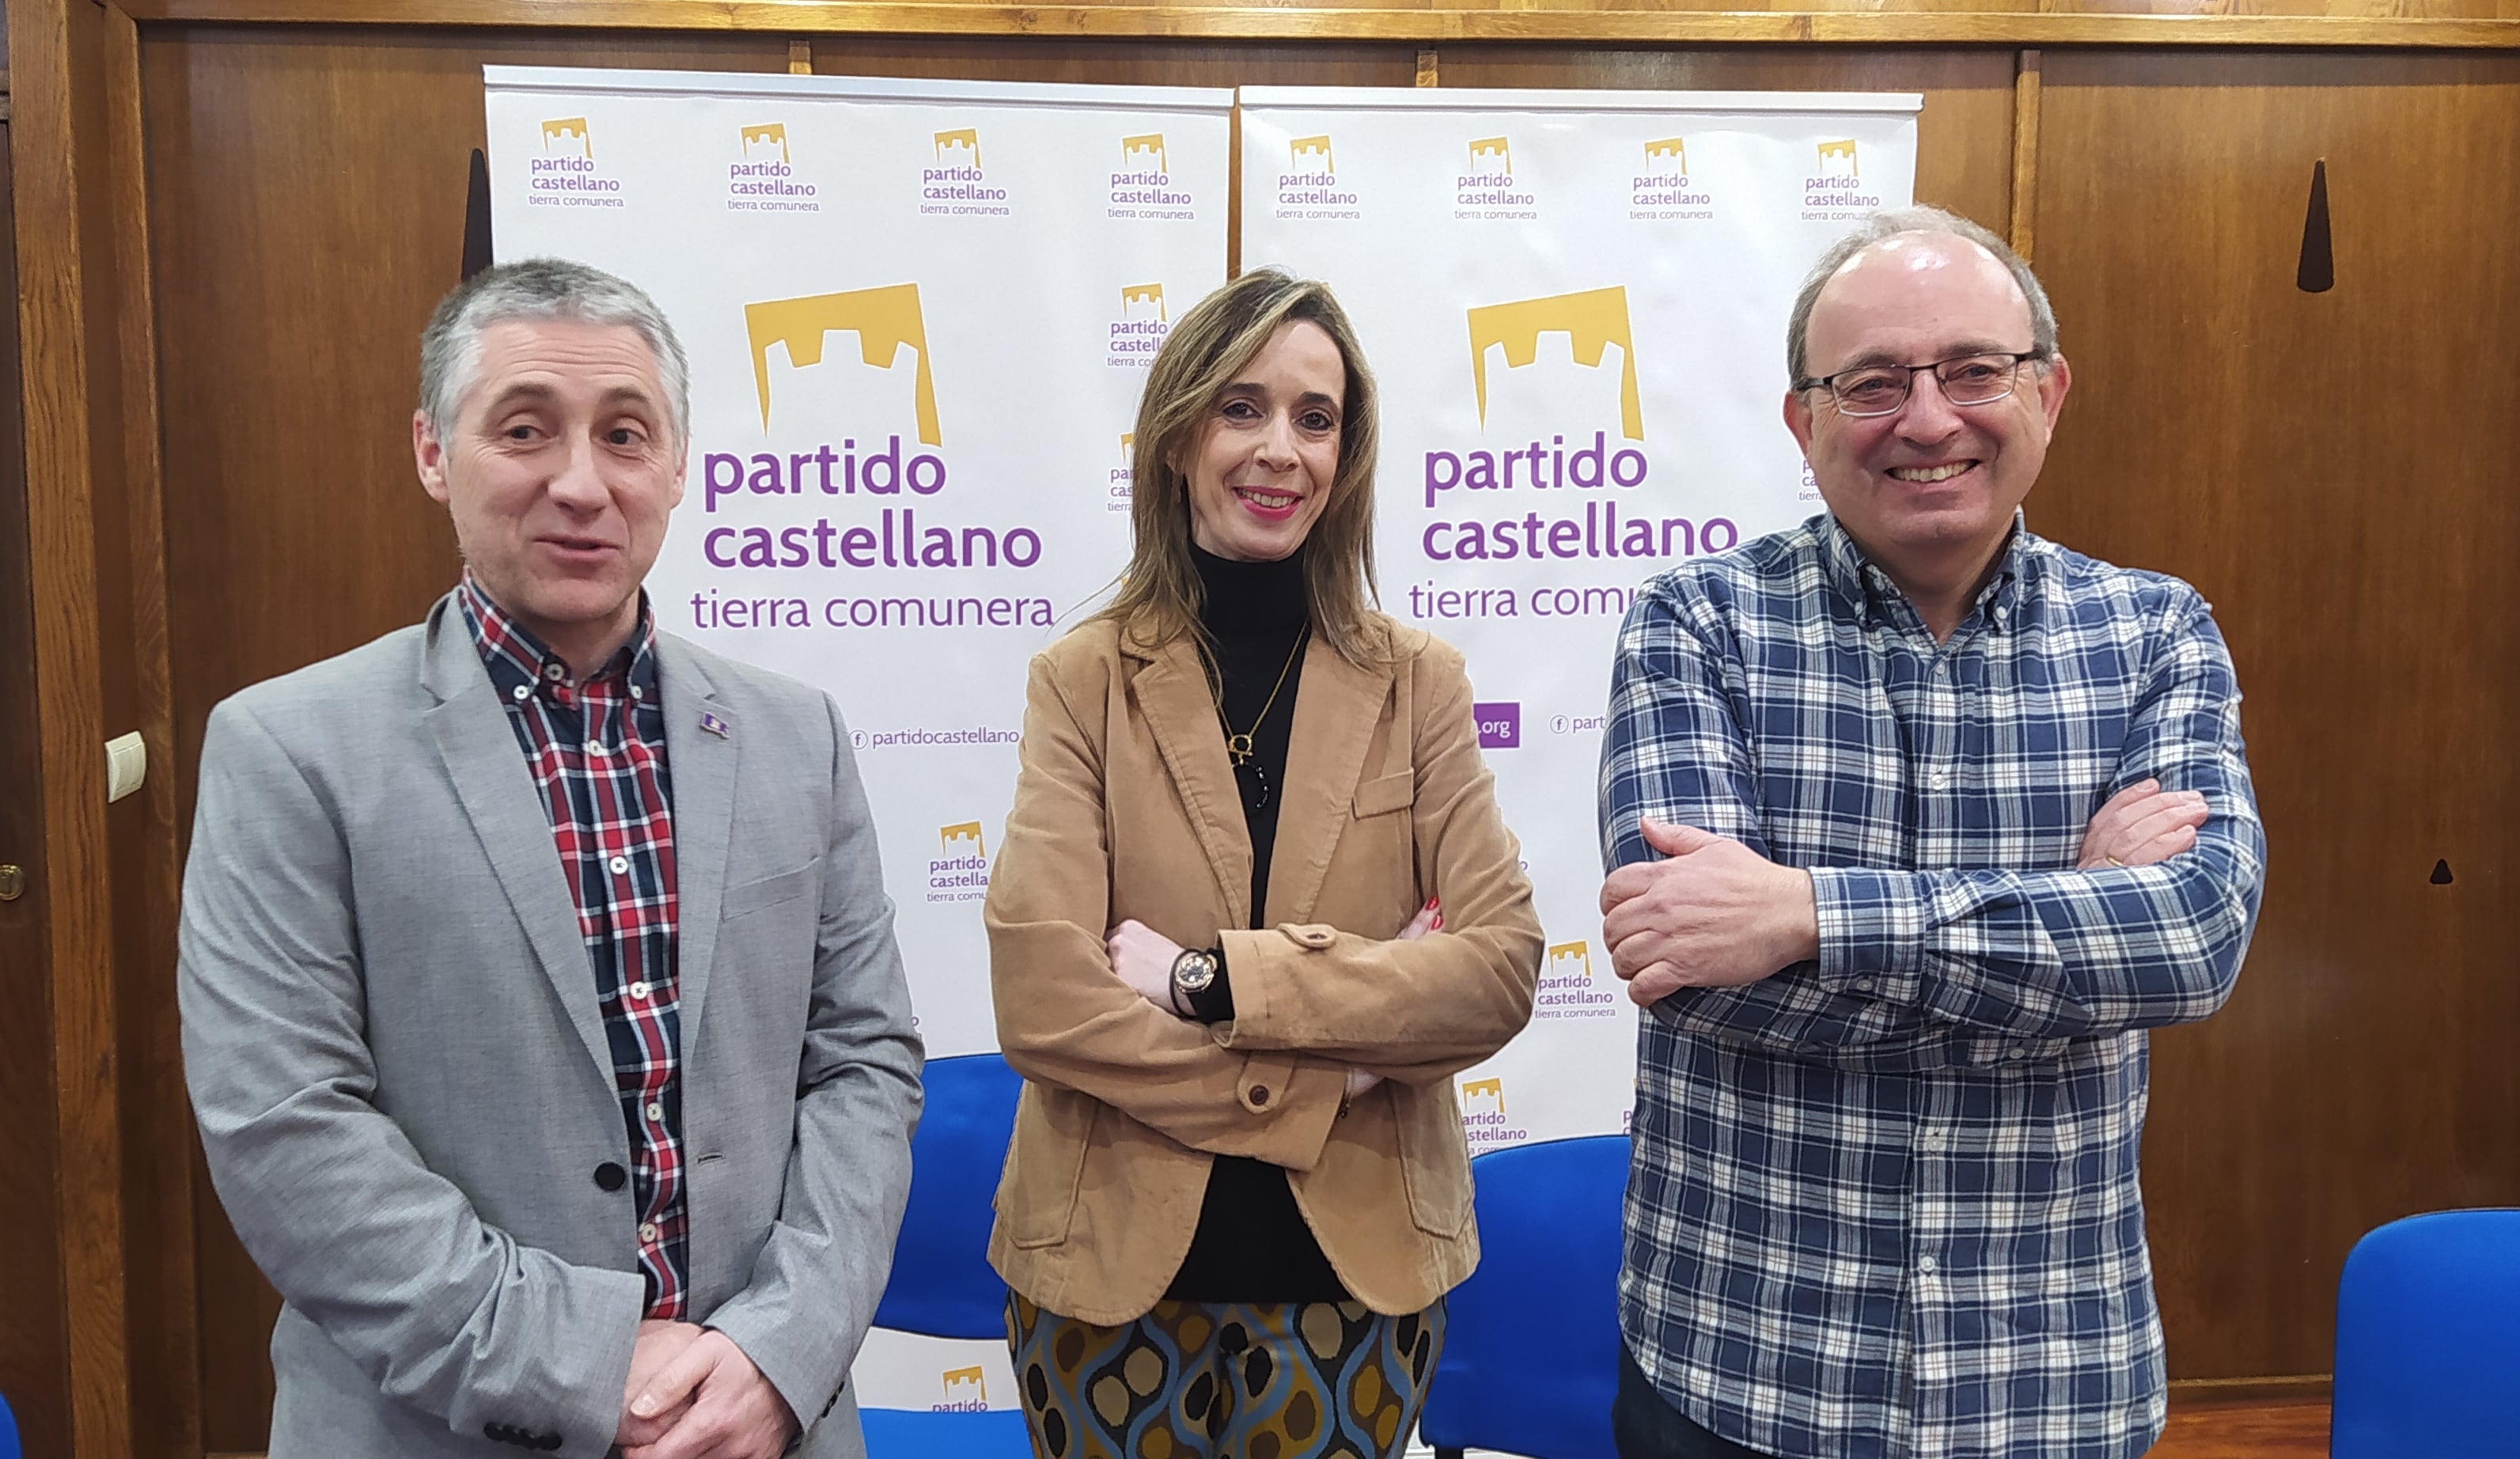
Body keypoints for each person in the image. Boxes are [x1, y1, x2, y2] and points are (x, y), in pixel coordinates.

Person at [178, 258, 923, 1459]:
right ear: (433, 451)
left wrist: (778, 1353)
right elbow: (287, 1132)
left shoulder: (798, 737)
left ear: (677, 468)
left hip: (761, 1426)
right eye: (525, 429)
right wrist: (585, 1367)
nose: (582, 484)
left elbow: (864, 1064)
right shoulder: (288, 751)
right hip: (439, 1429)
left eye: (626, 436)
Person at [1596, 207, 2268, 1459]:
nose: (1926, 417)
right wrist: (2070, 916)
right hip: (1742, 1360)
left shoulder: (2156, 635)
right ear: (1803, 422)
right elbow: (1688, 973)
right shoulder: (1696, 623)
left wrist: (1805, 917)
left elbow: (2191, 942)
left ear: (2047, 392)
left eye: (1972, 369)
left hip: (2049, 1370)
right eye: (1871, 382)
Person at [983, 268, 1544, 1459]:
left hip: (1357, 1283)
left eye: (1314, 417)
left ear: (1346, 453)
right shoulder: (1079, 679)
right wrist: (1324, 1074)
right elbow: (1044, 1002)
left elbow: (1495, 972)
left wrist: (1208, 982)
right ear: (1180, 433)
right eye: (1241, 409)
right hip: (1103, 1280)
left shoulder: (1418, 683)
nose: (1278, 449)